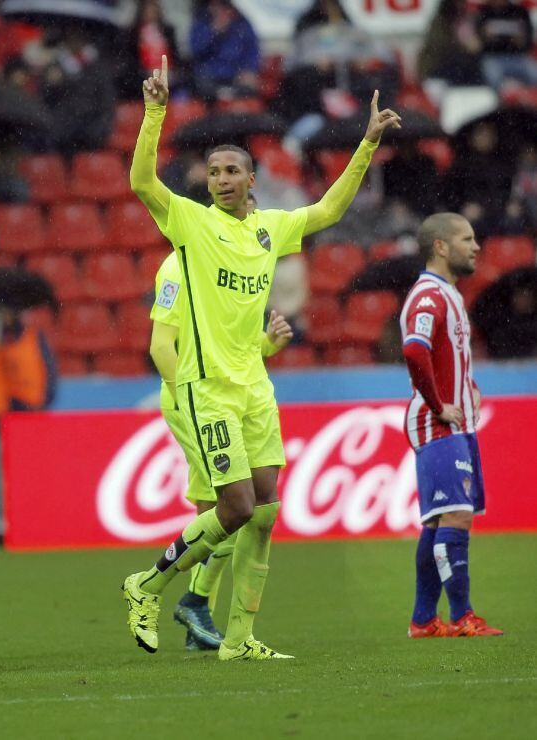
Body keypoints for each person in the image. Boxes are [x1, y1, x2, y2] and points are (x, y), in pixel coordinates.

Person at [122, 55, 400, 660]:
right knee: (235, 505)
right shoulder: (190, 225)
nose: (219, 179)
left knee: (267, 512)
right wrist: (154, 112)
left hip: (254, 386)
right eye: (213, 171)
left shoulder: (271, 229)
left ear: (253, 179)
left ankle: (240, 640)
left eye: (231, 171)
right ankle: (148, 583)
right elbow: (143, 183)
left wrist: (367, 143)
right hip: (206, 389)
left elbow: (328, 211)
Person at [151, 251, 294, 650]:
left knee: (215, 508)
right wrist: (193, 399)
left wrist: (268, 343)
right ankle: (193, 601)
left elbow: (235, 350)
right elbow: (162, 346)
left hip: (230, 397)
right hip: (198, 399)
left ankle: (198, 621)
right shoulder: (179, 266)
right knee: (237, 504)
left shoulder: (236, 263)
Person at [400, 212, 503, 639]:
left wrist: (467, 386)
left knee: (439, 520)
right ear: (441, 246)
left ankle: (424, 620)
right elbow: (414, 350)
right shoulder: (429, 296)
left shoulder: (449, 294)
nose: (476, 246)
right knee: (456, 517)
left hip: (456, 424)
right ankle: (463, 616)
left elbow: (441, 355)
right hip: (437, 424)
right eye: (467, 239)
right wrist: (439, 403)